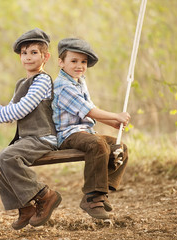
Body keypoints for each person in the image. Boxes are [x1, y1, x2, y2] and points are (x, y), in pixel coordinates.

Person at [0, 28, 61, 230]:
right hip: (28, 139)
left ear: (45, 56)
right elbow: (9, 112)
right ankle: (26, 207)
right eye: (24, 53)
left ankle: (45, 195)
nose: (28, 57)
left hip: (43, 137)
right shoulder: (22, 83)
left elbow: (21, 110)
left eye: (34, 53)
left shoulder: (42, 80)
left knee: (7, 157)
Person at [52, 38, 131, 220]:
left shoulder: (79, 81)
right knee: (98, 145)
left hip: (85, 132)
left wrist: (112, 123)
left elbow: (89, 107)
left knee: (120, 148)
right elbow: (88, 110)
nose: (79, 66)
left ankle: (101, 193)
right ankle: (92, 198)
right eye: (74, 61)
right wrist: (115, 115)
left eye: (83, 62)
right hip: (67, 135)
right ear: (61, 62)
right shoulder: (62, 86)